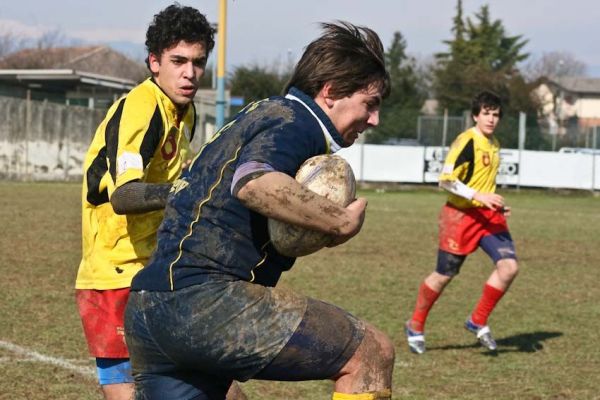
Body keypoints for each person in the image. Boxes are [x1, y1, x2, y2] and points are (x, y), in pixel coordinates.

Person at [124, 21, 394, 400]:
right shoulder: (298, 124)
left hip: (149, 309)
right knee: (370, 351)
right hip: (206, 304)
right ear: (331, 92)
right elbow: (254, 183)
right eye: (371, 104)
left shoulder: (260, 114)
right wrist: (341, 221)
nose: (375, 119)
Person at [74, 4, 246, 400]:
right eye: (178, 61)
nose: (190, 73)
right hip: (113, 275)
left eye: (198, 62)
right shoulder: (142, 105)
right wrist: (189, 193)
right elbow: (125, 195)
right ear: (154, 62)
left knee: (219, 385)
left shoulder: (183, 114)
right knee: (129, 392)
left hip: (158, 269)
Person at [404, 90, 519, 355]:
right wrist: (478, 195)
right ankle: (415, 324)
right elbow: (445, 180)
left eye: (495, 115)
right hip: (460, 216)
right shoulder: (467, 141)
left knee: (509, 267)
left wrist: (494, 202)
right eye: (486, 114)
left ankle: (477, 320)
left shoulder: (495, 144)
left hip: (488, 217)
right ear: (476, 115)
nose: (491, 119)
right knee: (445, 275)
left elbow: (483, 182)